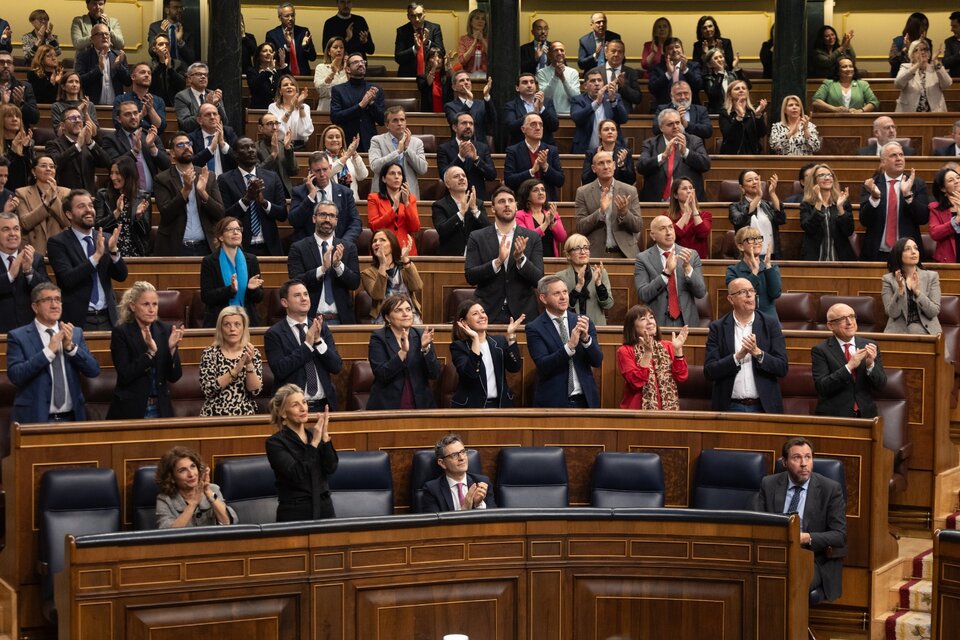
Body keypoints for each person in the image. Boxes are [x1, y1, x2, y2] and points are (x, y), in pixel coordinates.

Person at [756, 437, 847, 602]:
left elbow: (839, 535)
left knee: (788, 582)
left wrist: (806, 537)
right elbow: (756, 523)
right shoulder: (769, 484)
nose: (804, 463)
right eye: (797, 458)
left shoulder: (830, 489)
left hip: (812, 559)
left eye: (808, 457)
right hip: (773, 554)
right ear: (784, 462)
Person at [7, 282, 99, 423]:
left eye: (57, 299)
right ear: (35, 307)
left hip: (73, 419)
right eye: (47, 300)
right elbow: (16, 376)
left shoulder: (75, 333)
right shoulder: (18, 336)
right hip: (35, 420)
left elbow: (93, 370)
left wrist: (71, 348)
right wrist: (48, 352)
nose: (54, 305)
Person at [704, 277, 788, 413]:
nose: (749, 295)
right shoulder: (718, 328)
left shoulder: (770, 324)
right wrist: (737, 357)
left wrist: (758, 354)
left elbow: (782, 368)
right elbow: (709, 371)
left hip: (764, 407)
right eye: (743, 292)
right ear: (731, 299)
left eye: (752, 291)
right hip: (730, 407)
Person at [46, 189, 128, 330]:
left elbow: (121, 276)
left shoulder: (105, 238)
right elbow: (67, 279)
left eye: (90, 205)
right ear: (69, 214)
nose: (89, 210)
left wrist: (114, 252)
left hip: (108, 318)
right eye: (81, 206)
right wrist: (96, 257)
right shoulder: (58, 243)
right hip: (77, 321)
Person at [465, 186, 544, 323]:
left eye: (510, 201)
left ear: (516, 206)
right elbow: (471, 276)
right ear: (493, 208)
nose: (507, 204)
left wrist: (520, 259)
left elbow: (538, 280)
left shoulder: (532, 237)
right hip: (488, 312)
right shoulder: (477, 237)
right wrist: (498, 261)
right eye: (501, 201)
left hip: (524, 313)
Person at [107, 281, 184, 419]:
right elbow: (125, 375)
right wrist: (150, 353)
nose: (151, 309)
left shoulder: (165, 330)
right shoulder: (121, 333)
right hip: (131, 409)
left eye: (155, 304)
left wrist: (171, 350)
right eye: (146, 304)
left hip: (160, 409)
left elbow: (174, 377)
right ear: (133, 306)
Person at [264, 279, 343, 411]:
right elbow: (280, 370)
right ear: (284, 302)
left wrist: (318, 341)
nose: (304, 298)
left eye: (306, 294)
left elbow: (336, 367)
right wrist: (307, 345)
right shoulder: (274, 334)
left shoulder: (321, 328)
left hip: (323, 406)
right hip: (292, 409)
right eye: (297, 295)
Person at [525, 275, 603, 408]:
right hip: (553, 402)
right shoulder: (535, 328)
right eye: (557, 293)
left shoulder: (583, 321)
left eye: (565, 292)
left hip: (585, 401)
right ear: (543, 298)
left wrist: (586, 340)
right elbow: (543, 365)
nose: (563, 297)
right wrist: (569, 347)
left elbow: (597, 360)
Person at [266, 384, 338, 522]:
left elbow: (331, 467)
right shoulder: (275, 443)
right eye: (295, 405)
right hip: (295, 513)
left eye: (304, 402)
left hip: (325, 508)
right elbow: (297, 474)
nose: (303, 408)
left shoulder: (314, 434)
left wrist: (325, 437)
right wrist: (314, 444)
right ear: (283, 413)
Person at [287, 200, 361, 323]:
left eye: (331, 216)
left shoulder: (348, 248)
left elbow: (355, 283)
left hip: (341, 320)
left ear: (336, 220)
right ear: (314, 218)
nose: (327, 219)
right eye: (323, 215)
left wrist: (338, 265)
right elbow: (295, 281)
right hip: (310, 319)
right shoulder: (298, 248)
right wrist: (322, 269)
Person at [153, 133, 225, 257]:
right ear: (172, 153)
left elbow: (220, 213)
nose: (186, 147)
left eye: (188, 144)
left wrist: (203, 193)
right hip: (176, 247)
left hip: (206, 247)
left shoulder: (207, 176)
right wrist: (185, 190)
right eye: (180, 145)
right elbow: (166, 213)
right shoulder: (162, 179)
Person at [813, 303, 887, 418]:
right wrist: (849, 367)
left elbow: (881, 385)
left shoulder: (870, 345)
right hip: (835, 416)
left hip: (866, 415)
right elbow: (822, 387)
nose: (849, 322)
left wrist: (870, 365)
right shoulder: (821, 350)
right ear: (830, 326)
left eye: (852, 316)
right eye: (843, 319)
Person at [367, 293, 440, 409]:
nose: (405, 314)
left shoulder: (421, 335)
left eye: (408, 309)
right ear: (387, 317)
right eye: (398, 310)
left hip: (421, 404)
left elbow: (434, 373)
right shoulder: (378, 338)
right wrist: (402, 353)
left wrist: (425, 349)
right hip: (388, 404)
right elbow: (382, 374)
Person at [860, 142, 930, 262]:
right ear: (883, 162)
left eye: (901, 155)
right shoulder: (872, 185)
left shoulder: (917, 184)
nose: (899, 158)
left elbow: (923, 218)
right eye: (893, 155)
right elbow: (864, 220)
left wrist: (908, 196)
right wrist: (874, 198)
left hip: (908, 255)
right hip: (877, 254)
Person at [217, 137, 287, 256]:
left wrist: (264, 202)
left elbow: (282, 215)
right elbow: (225, 216)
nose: (250, 150)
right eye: (244, 148)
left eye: (253, 147)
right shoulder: (225, 180)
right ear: (235, 154)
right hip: (241, 247)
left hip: (269, 247)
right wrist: (247, 199)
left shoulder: (272, 177)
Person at [634, 214, 706, 329]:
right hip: (657, 324)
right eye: (662, 229)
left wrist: (687, 268)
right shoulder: (643, 259)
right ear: (653, 235)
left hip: (687, 322)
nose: (668, 232)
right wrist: (666, 273)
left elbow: (701, 292)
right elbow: (644, 294)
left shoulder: (691, 255)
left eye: (670, 227)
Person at [449, 300, 522, 409]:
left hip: (500, 405)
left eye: (483, 312)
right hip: (472, 407)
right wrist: (475, 339)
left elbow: (515, 367)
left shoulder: (499, 341)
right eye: (475, 314)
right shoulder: (459, 347)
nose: (482, 316)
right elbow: (471, 374)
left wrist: (511, 336)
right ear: (464, 322)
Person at [617, 303, 688, 410]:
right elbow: (636, 382)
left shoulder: (667, 346)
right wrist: (647, 354)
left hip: (668, 412)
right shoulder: (625, 351)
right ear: (632, 326)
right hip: (637, 412)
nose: (650, 321)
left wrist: (678, 350)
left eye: (651, 317)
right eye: (643, 319)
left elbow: (681, 377)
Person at [575, 150, 642, 260]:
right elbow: (580, 227)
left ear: (614, 165)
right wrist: (600, 212)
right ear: (593, 168)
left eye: (609, 162)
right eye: (601, 163)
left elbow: (638, 226)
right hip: (596, 255)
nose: (606, 167)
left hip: (625, 254)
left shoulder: (630, 190)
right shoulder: (583, 192)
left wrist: (624, 213)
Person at [199, 217, 264, 328]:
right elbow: (206, 297)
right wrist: (230, 290)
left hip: (248, 321)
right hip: (219, 321)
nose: (236, 232)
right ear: (221, 237)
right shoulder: (209, 261)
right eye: (230, 229)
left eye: (238, 229)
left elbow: (259, 297)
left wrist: (252, 289)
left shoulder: (251, 260)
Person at [199, 306, 262, 417]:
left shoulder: (252, 352)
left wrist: (249, 364)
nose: (232, 329)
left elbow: (255, 391)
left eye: (237, 324)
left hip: (245, 414)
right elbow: (208, 389)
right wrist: (235, 371)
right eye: (227, 324)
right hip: (213, 414)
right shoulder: (210, 353)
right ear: (220, 328)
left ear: (244, 328)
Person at [638, 108, 711, 202]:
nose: (675, 126)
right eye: (670, 124)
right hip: (657, 201)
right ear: (661, 127)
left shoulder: (694, 141)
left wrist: (685, 152)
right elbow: (641, 167)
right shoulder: (650, 144)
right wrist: (663, 156)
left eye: (677, 123)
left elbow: (705, 164)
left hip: (688, 201)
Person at [288, 151, 361, 244]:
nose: (322, 174)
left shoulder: (345, 193)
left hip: (339, 244)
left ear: (330, 168)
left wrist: (343, 243)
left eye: (325, 169)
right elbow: (294, 221)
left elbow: (355, 222)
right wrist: (311, 196)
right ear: (310, 172)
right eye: (318, 171)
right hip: (309, 247)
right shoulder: (299, 192)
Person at [155, 446, 236, 528]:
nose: (191, 474)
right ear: (171, 478)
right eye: (182, 470)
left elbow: (228, 523)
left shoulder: (213, 489)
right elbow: (168, 532)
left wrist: (208, 492)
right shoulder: (165, 500)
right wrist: (193, 504)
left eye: (193, 466)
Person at [101, 100, 171, 192]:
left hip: (152, 194)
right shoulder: (110, 139)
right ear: (119, 119)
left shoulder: (150, 135)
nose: (133, 117)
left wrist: (152, 148)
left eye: (135, 113)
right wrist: (134, 151)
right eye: (127, 114)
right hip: (125, 194)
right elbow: (113, 165)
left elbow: (167, 165)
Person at [0, 212, 49, 333]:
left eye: (16, 229)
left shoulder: (35, 259)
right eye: (6, 229)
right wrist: (10, 275)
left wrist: (29, 271)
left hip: (30, 332)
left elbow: (47, 291)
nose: (12, 233)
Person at [881, 237, 941, 334]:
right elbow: (892, 313)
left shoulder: (931, 277)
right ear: (898, 254)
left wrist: (917, 292)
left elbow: (933, 312)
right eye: (907, 249)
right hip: (898, 333)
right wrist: (900, 289)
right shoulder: (888, 279)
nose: (913, 252)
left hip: (927, 332)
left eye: (916, 248)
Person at [361, 228, 423, 323]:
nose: (377, 243)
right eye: (374, 241)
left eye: (382, 240)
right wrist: (382, 264)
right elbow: (377, 295)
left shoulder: (405, 267)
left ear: (392, 244)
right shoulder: (367, 273)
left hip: (409, 315)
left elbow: (417, 287)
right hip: (383, 317)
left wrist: (405, 259)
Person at [421, 434, 496, 510]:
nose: (462, 458)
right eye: (454, 455)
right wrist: (465, 508)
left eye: (463, 452)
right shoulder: (432, 490)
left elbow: (494, 515)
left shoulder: (482, 483)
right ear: (442, 463)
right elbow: (434, 518)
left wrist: (478, 504)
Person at [94, 156, 151, 257]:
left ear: (128, 175)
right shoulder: (103, 195)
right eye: (111, 173)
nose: (113, 177)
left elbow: (145, 232)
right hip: (108, 251)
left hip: (135, 251)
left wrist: (138, 217)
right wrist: (116, 213)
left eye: (117, 173)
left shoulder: (143, 197)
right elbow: (98, 227)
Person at [503, 113, 564, 202]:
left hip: (547, 202)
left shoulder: (551, 150)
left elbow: (560, 181)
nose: (538, 128)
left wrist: (545, 166)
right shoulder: (513, 151)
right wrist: (531, 171)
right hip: (523, 202)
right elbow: (509, 181)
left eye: (540, 124)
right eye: (533, 124)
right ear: (523, 129)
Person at [16, 154, 70, 254]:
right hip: (32, 250)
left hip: (59, 250)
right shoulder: (22, 193)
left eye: (52, 166)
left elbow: (66, 222)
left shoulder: (65, 193)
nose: (48, 169)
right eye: (43, 166)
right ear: (33, 171)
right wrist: (46, 203)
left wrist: (54, 198)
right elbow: (25, 223)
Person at [800, 163, 856, 261]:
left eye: (829, 175)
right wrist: (818, 203)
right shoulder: (807, 204)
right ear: (814, 180)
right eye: (822, 175)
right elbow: (809, 228)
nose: (827, 178)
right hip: (815, 259)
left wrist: (840, 208)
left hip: (840, 259)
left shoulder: (843, 202)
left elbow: (848, 231)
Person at [369, 107, 428, 199]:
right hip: (383, 194)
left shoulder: (417, 142)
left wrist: (407, 149)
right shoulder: (377, 141)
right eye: (395, 120)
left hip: (409, 193)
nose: (399, 123)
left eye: (402, 120)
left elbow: (423, 169)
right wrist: (397, 152)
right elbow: (375, 167)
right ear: (387, 125)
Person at [331, 52, 384, 152]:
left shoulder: (375, 89)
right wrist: (360, 105)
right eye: (355, 62)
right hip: (347, 141)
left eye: (362, 62)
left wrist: (371, 104)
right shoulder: (338, 90)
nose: (360, 64)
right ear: (348, 69)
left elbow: (382, 120)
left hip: (369, 142)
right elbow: (335, 117)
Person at [555, 234, 612, 327]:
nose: (583, 252)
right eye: (577, 248)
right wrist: (578, 287)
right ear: (568, 255)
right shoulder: (560, 277)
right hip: (570, 327)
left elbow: (608, 305)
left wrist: (599, 284)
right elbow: (559, 307)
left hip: (596, 327)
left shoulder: (601, 273)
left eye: (586, 248)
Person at [432, 166, 489, 256]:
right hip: (451, 257)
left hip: (476, 255)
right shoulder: (440, 206)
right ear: (447, 184)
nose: (462, 178)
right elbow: (442, 231)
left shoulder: (478, 203)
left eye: (464, 175)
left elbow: (488, 230)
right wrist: (461, 213)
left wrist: (474, 209)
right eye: (456, 176)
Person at [438, 112, 496, 201]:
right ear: (454, 127)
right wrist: (460, 157)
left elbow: (492, 175)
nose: (468, 126)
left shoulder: (482, 147)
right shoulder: (444, 148)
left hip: (478, 198)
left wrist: (476, 159)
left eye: (471, 123)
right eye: (464, 123)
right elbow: (444, 175)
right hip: (454, 199)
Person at [726, 227, 781, 319]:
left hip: (769, 319)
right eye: (751, 239)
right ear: (741, 246)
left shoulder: (771, 268)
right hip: (744, 318)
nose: (756, 242)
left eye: (759, 238)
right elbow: (741, 296)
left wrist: (768, 266)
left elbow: (775, 294)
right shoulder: (733, 271)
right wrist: (754, 272)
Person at [367, 161, 421, 256]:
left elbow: (415, 227)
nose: (396, 176)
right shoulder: (374, 198)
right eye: (392, 173)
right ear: (384, 179)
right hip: (382, 249)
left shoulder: (410, 199)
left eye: (399, 174)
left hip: (406, 248)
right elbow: (374, 227)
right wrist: (394, 208)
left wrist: (407, 204)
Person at [570, 67, 628, 154]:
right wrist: (596, 103)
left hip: (611, 152)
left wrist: (613, 101)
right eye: (593, 81)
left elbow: (623, 119)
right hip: (585, 150)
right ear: (585, 86)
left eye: (599, 80)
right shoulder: (578, 100)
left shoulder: (614, 97)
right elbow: (577, 118)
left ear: (603, 83)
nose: (597, 84)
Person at [729, 170, 785, 259]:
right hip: (748, 257)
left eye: (756, 179)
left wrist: (772, 193)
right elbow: (738, 221)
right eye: (750, 180)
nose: (754, 182)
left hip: (771, 256)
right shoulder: (735, 206)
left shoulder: (768, 205)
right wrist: (758, 197)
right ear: (742, 187)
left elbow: (781, 219)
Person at [74, 23, 129, 106]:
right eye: (100, 34)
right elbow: (80, 81)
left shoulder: (118, 56)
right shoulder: (83, 56)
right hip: (92, 106)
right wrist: (99, 69)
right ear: (92, 39)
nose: (105, 36)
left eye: (107, 34)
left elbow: (128, 82)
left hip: (116, 107)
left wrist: (119, 66)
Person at [894, 40, 952, 112]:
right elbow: (898, 84)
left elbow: (947, 84)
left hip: (935, 112)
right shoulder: (905, 67)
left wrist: (935, 61)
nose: (923, 52)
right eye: (917, 50)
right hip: (909, 113)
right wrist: (918, 64)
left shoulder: (936, 68)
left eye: (925, 49)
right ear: (911, 54)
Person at [516, 178, 567, 259]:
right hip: (530, 260)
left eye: (543, 190)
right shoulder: (519, 215)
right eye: (535, 190)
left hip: (551, 260)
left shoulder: (552, 213)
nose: (541, 193)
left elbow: (562, 238)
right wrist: (546, 223)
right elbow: (528, 240)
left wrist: (552, 222)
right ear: (527, 195)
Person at [811, 55, 879, 114]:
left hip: (857, 120)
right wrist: (834, 109)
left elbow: (874, 102)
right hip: (834, 119)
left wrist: (861, 111)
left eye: (851, 66)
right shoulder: (829, 83)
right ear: (837, 70)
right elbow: (816, 101)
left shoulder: (862, 84)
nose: (848, 69)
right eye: (844, 67)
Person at [648, 38, 702, 111]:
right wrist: (668, 74)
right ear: (665, 53)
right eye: (670, 48)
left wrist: (685, 70)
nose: (674, 50)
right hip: (664, 109)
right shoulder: (657, 68)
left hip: (690, 109)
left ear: (682, 50)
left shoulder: (693, 66)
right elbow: (652, 89)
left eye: (677, 47)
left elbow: (698, 85)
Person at [112, 63, 167, 135]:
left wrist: (150, 109)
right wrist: (141, 115)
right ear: (133, 77)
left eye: (149, 73)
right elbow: (117, 124)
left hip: (153, 138)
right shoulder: (121, 99)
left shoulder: (159, 101)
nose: (147, 75)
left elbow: (161, 127)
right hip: (129, 138)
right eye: (142, 72)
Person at [444, 71, 495, 148]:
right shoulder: (450, 106)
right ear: (454, 87)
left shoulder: (481, 104)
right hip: (460, 147)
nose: (466, 82)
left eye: (468, 80)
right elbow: (456, 121)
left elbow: (492, 119)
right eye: (462, 80)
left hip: (480, 147)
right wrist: (469, 101)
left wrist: (486, 96)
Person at [665, 177, 712, 259]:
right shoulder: (667, 217)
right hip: (676, 259)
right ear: (675, 195)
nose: (689, 191)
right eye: (684, 188)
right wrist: (686, 214)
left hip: (698, 260)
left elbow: (703, 233)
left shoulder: (705, 215)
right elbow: (672, 236)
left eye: (690, 188)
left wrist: (693, 208)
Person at [175, 62, 228, 134]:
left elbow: (224, 122)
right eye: (198, 74)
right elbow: (185, 124)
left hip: (214, 134)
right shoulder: (182, 97)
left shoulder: (213, 95)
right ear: (189, 79)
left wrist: (216, 105)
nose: (203, 77)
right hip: (193, 137)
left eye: (205, 74)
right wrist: (206, 105)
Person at [395, 2, 445, 77]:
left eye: (419, 15)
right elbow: (398, 58)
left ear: (424, 14)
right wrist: (415, 49)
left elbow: (442, 52)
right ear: (408, 16)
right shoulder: (402, 31)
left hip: (431, 75)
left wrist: (427, 43)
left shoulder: (434, 28)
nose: (417, 19)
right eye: (413, 16)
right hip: (408, 76)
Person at [266, 2, 316, 75]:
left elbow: (313, 57)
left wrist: (305, 47)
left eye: (292, 15)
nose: (290, 18)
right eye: (287, 16)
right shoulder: (272, 35)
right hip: (282, 76)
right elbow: (273, 59)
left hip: (303, 76)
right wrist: (288, 46)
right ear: (280, 18)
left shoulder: (303, 32)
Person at [321, 124, 368, 201]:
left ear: (342, 140)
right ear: (324, 141)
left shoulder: (350, 156)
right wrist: (346, 156)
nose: (334, 140)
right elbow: (327, 173)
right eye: (330, 137)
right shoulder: (319, 156)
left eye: (337, 137)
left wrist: (354, 154)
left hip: (351, 201)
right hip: (330, 202)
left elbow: (363, 175)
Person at [581, 119, 636, 185]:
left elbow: (631, 180)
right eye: (606, 129)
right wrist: (597, 160)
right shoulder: (592, 154)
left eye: (613, 129)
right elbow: (585, 180)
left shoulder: (625, 153)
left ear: (617, 134)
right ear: (599, 134)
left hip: (619, 190)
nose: (610, 132)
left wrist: (621, 165)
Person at [719, 80, 767, 154]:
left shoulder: (752, 112)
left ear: (747, 93)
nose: (741, 90)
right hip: (732, 155)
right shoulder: (725, 112)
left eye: (743, 88)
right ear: (729, 94)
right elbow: (729, 136)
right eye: (737, 89)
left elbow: (762, 133)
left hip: (753, 154)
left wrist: (757, 115)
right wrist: (739, 117)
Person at [267, 75, 314, 151]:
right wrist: (289, 111)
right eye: (285, 85)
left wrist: (300, 107)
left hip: (300, 147)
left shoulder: (305, 107)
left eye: (292, 84)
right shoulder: (273, 107)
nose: (289, 87)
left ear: (296, 90)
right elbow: (277, 130)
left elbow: (305, 132)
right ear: (280, 91)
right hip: (279, 146)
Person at [256, 112, 297, 197]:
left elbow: (294, 171)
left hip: (285, 192)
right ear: (260, 128)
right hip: (264, 192)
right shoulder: (255, 148)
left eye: (276, 123)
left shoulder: (284, 145)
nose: (275, 127)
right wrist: (273, 154)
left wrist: (288, 149)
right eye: (270, 124)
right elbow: (257, 173)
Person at [536, 41, 581, 116]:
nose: (559, 53)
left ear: (565, 54)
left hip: (569, 115)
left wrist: (563, 79)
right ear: (549, 55)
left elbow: (576, 98)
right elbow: (545, 96)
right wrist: (555, 77)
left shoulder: (573, 72)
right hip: (549, 115)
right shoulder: (542, 72)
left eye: (562, 50)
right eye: (556, 50)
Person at [701, 47, 747, 115]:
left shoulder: (732, 75)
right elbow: (713, 95)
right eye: (716, 58)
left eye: (721, 57)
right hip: (718, 113)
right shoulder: (708, 78)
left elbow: (748, 86)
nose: (719, 59)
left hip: (736, 111)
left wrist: (736, 67)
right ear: (709, 64)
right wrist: (720, 73)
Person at [148, 0, 196, 65]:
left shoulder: (187, 29)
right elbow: (151, 51)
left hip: (181, 69)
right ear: (167, 10)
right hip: (162, 67)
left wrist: (180, 41)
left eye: (181, 7)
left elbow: (191, 57)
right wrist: (162, 34)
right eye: (176, 7)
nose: (180, 10)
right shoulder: (155, 27)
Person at [0, 51, 38, 130]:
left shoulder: (24, 87)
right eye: (1, 62)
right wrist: (2, 105)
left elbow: (34, 118)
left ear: (13, 67)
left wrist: (21, 104)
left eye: (9, 63)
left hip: (19, 133)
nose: (6, 66)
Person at [928, 166, 960, 262]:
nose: (956, 181)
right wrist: (956, 220)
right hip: (948, 260)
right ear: (943, 189)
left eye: (958, 178)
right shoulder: (935, 208)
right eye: (951, 180)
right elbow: (934, 233)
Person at [601, 40, 642, 111]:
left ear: (623, 56)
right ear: (606, 53)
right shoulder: (595, 72)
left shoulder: (631, 73)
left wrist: (623, 87)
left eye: (620, 52)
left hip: (623, 113)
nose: (616, 54)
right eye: (613, 51)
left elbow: (637, 98)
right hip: (601, 112)